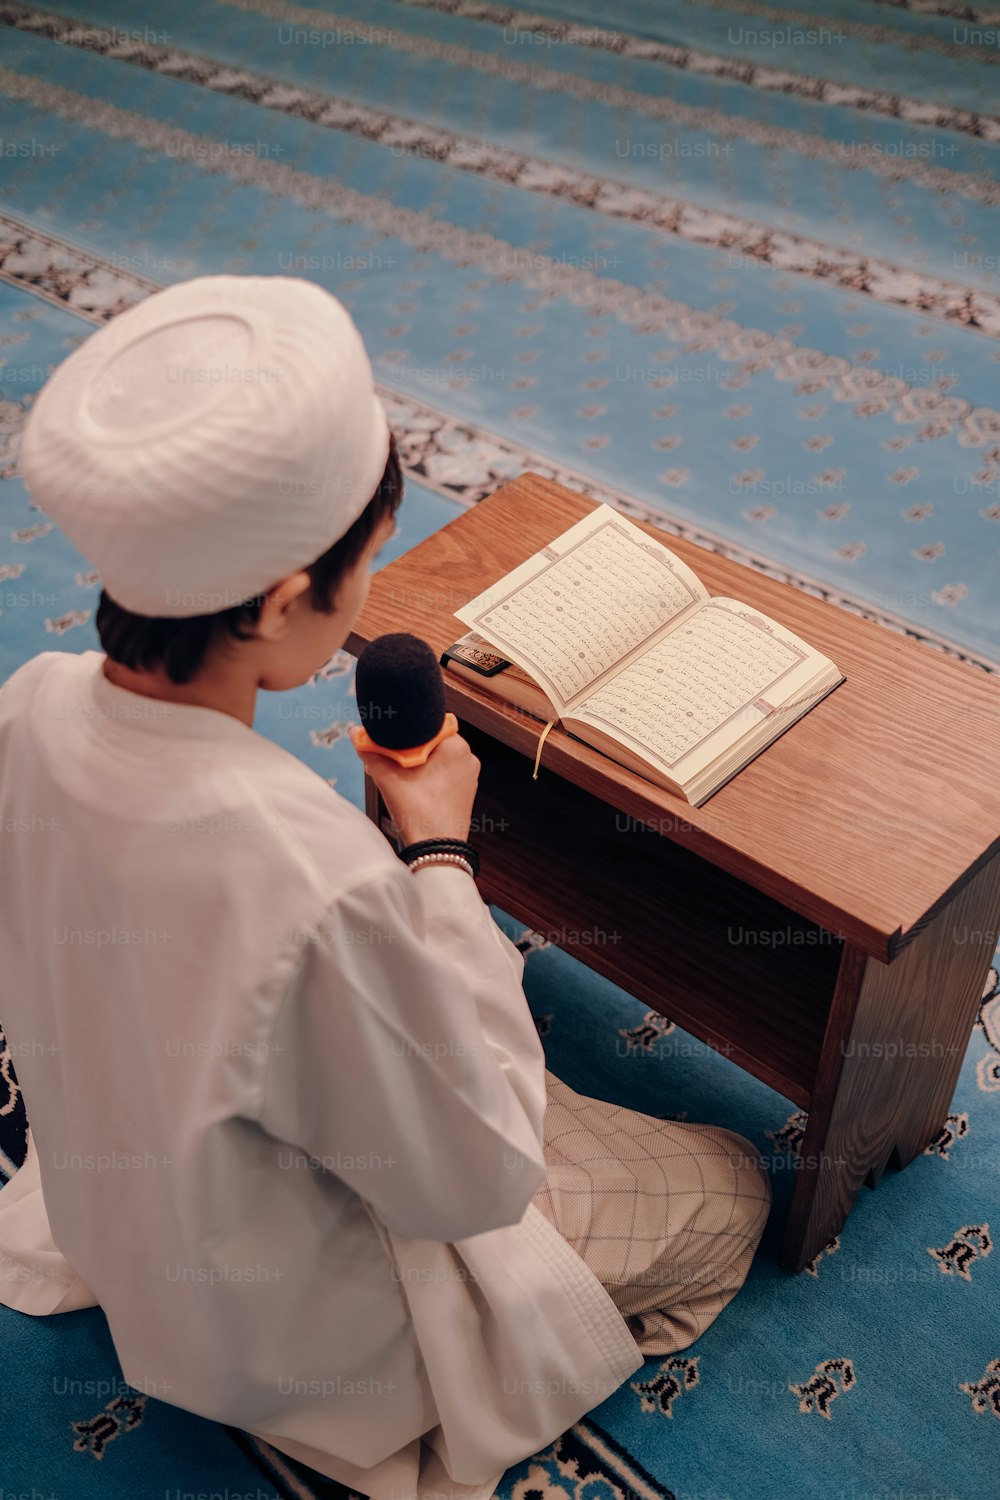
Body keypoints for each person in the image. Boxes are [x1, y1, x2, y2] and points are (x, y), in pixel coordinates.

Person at [0, 275, 771, 1500]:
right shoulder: (306, 877)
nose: (368, 593)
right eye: (362, 562)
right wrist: (438, 861)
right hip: (295, 1327)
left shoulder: (30, 700)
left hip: (125, 1209)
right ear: (277, 601)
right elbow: (471, 1178)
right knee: (730, 1184)